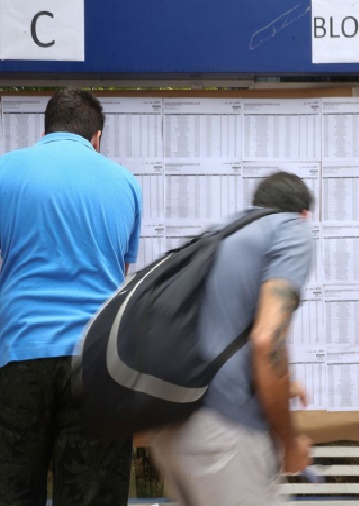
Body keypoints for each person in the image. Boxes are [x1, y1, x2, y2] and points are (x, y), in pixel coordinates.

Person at [0, 88, 142, 506]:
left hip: (20, 353)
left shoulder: (5, 172)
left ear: (46, 130)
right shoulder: (125, 183)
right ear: (96, 137)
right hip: (97, 363)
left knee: (11, 491)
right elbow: (120, 274)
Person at [150, 171, 315, 506]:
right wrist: (289, 442)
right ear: (303, 214)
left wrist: (282, 384)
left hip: (169, 427)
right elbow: (267, 342)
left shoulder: (219, 235)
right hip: (224, 434)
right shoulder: (291, 230)